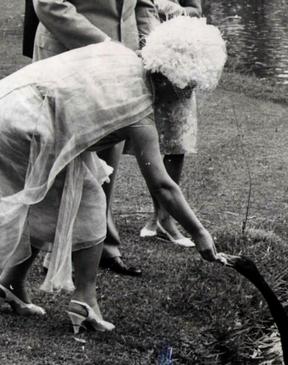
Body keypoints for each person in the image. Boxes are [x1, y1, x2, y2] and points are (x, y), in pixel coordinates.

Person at [0, 17, 227, 332]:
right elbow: (163, 185)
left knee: (50, 198)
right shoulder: (141, 113)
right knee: (89, 205)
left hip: (9, 103)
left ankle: (11, 283)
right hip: (26, 123)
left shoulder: (121, 54)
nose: (187, 96)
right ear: (169, 79)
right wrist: (200, 233)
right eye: (187, 88)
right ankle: (85, 300)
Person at [31, 0, 160, 276]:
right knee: (63, 156)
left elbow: (144, 5)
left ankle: (104, 246)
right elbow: (49, 4)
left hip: (122, 60)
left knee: (108, 154)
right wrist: (104, 45)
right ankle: (54, 250)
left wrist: (154, 49)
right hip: (69, 53)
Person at [137, 0, 203, 248]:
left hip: (178, 61)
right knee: (149, 143)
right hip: (143, 58)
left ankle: (164, 217)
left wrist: (176, 11)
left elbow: (196, 11)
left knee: (175, 143)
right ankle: (158, 214)